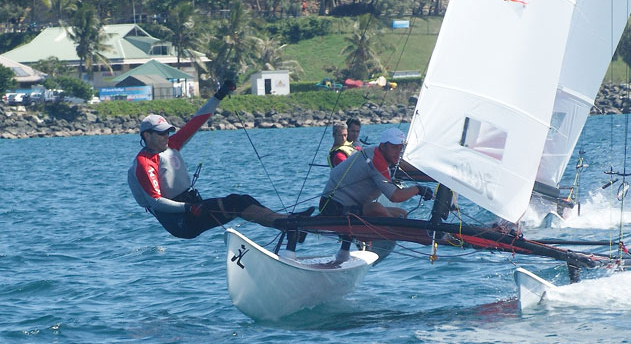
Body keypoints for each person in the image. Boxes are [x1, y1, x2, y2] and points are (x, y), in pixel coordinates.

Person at [128, 80, 308, 240]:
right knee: (236, 203)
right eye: (161, 133)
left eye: (168, 132)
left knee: (243, 200)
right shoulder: (144, 163)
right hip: (180, 221)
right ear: (147, 135)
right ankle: (288, 224)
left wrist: (219, 95)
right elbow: (156, 202)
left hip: (191, 207)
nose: (166, 136)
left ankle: (289, 222)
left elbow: (197, 120)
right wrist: (188, 208)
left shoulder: (172, 144)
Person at [319, 127, 433, 262]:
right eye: (394, 148)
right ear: (383, 146)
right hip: (333, 207)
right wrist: (418, 189)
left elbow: (401, 164)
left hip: (350, 205)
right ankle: (410, 235)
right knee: (376, 208)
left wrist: (439, 175)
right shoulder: (376, 160)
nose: (398, 152)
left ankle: (343, 253)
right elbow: (395, 196)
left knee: (401, 213)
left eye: (400, 148)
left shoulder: (378, 153)